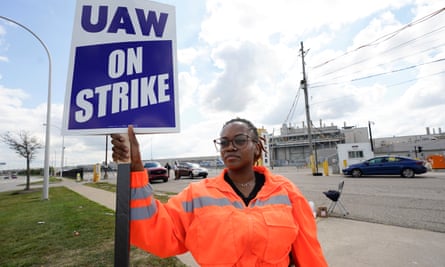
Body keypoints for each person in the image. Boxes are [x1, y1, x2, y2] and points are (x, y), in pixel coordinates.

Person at [111, 118, 327, 266]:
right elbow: (156, 231)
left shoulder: (286, 191)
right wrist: (136, 171)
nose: (229, 147)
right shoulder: (197, 194)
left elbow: (309, 254)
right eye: (223, 142)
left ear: (257, 147)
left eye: (239, 140)